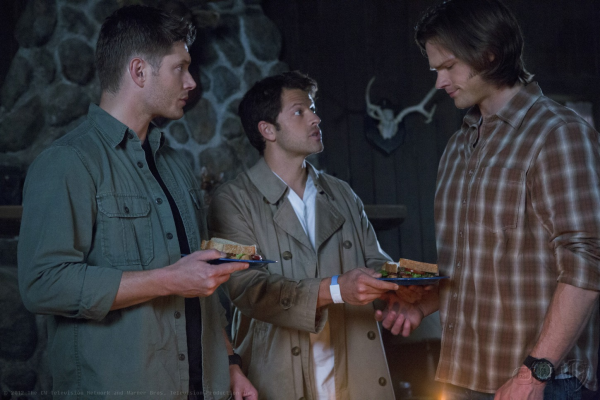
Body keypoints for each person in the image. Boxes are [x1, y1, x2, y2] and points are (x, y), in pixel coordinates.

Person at [17, 5, 257, 400]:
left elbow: (201, 283)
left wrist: (229, 362)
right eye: (180, 68)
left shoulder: (176, 165)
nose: (192, 81)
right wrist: (168, 280)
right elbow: (42, 284)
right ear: (139, 72)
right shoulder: (67, 162)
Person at [376, 0, 600, 399]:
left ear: (489, 53)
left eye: (448, 67)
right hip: (462, 375)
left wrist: (534, 374)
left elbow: (588, 261)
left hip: (540, 382)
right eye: (435, 70)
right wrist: (422, 304)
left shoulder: (558, 133)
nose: (439, 82)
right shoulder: (458, 146)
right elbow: (475, 264)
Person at [206, 71, 403, 399]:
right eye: (299, 111)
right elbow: (249, 290)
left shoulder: (342, 193)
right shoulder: (232, 200)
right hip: (276, 379)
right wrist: (337, 289)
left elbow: (374, 261)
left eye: (313, 109)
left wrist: (405, 288)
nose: (315, 118)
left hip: (356, 375)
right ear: (268, 130)